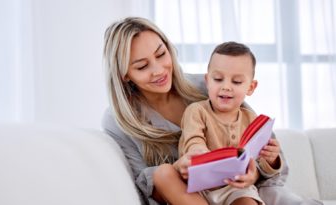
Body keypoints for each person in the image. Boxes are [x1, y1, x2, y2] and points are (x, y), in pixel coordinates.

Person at [101, 16, 322, 205]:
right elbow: (142, 188)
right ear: (124, 74)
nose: (159, 70)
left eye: (161, 54)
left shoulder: (211, 86)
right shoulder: (119, 120)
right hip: (189, 196)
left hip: (239, 189)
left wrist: (252, 172)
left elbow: (263, 155)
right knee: (162, 173)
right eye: (142, 66)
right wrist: (178, 167)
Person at [176, 42, 282, 205]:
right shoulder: (197, 110)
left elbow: (259, 164)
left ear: (251, 87)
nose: (226, 87)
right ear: (207, 80)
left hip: (236, 187)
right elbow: (193, 140)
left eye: (237, 82)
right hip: (201, 187)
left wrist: (271, 159)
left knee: (247, 201)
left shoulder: (251, 118)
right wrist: (200, 153)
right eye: (218, 79)